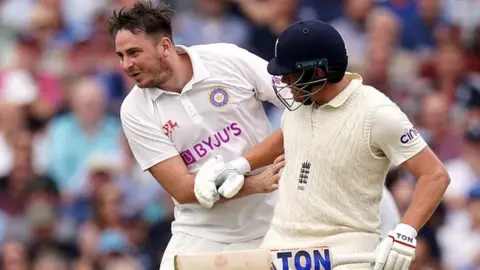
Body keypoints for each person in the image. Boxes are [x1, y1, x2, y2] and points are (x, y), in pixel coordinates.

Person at [196, 20, 450, 270]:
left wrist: (405, 232)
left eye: (290, 73)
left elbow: (435, 175)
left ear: (318, 72)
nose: (283, 81)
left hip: (345, 250)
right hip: (281, 243)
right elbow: (288, 135)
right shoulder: (302, 99)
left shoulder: (377, 112)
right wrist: (240, 165)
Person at [107, 2, 286, 270]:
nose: (126, 64)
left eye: (134, 53)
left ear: (165, 46)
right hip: (201, 231)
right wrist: (252, 182)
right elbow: (181, 187)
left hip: (274, 220)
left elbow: (300, 110)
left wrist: (242, 166)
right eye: (120, 55)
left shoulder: (227, 58)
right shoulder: (134, 110)